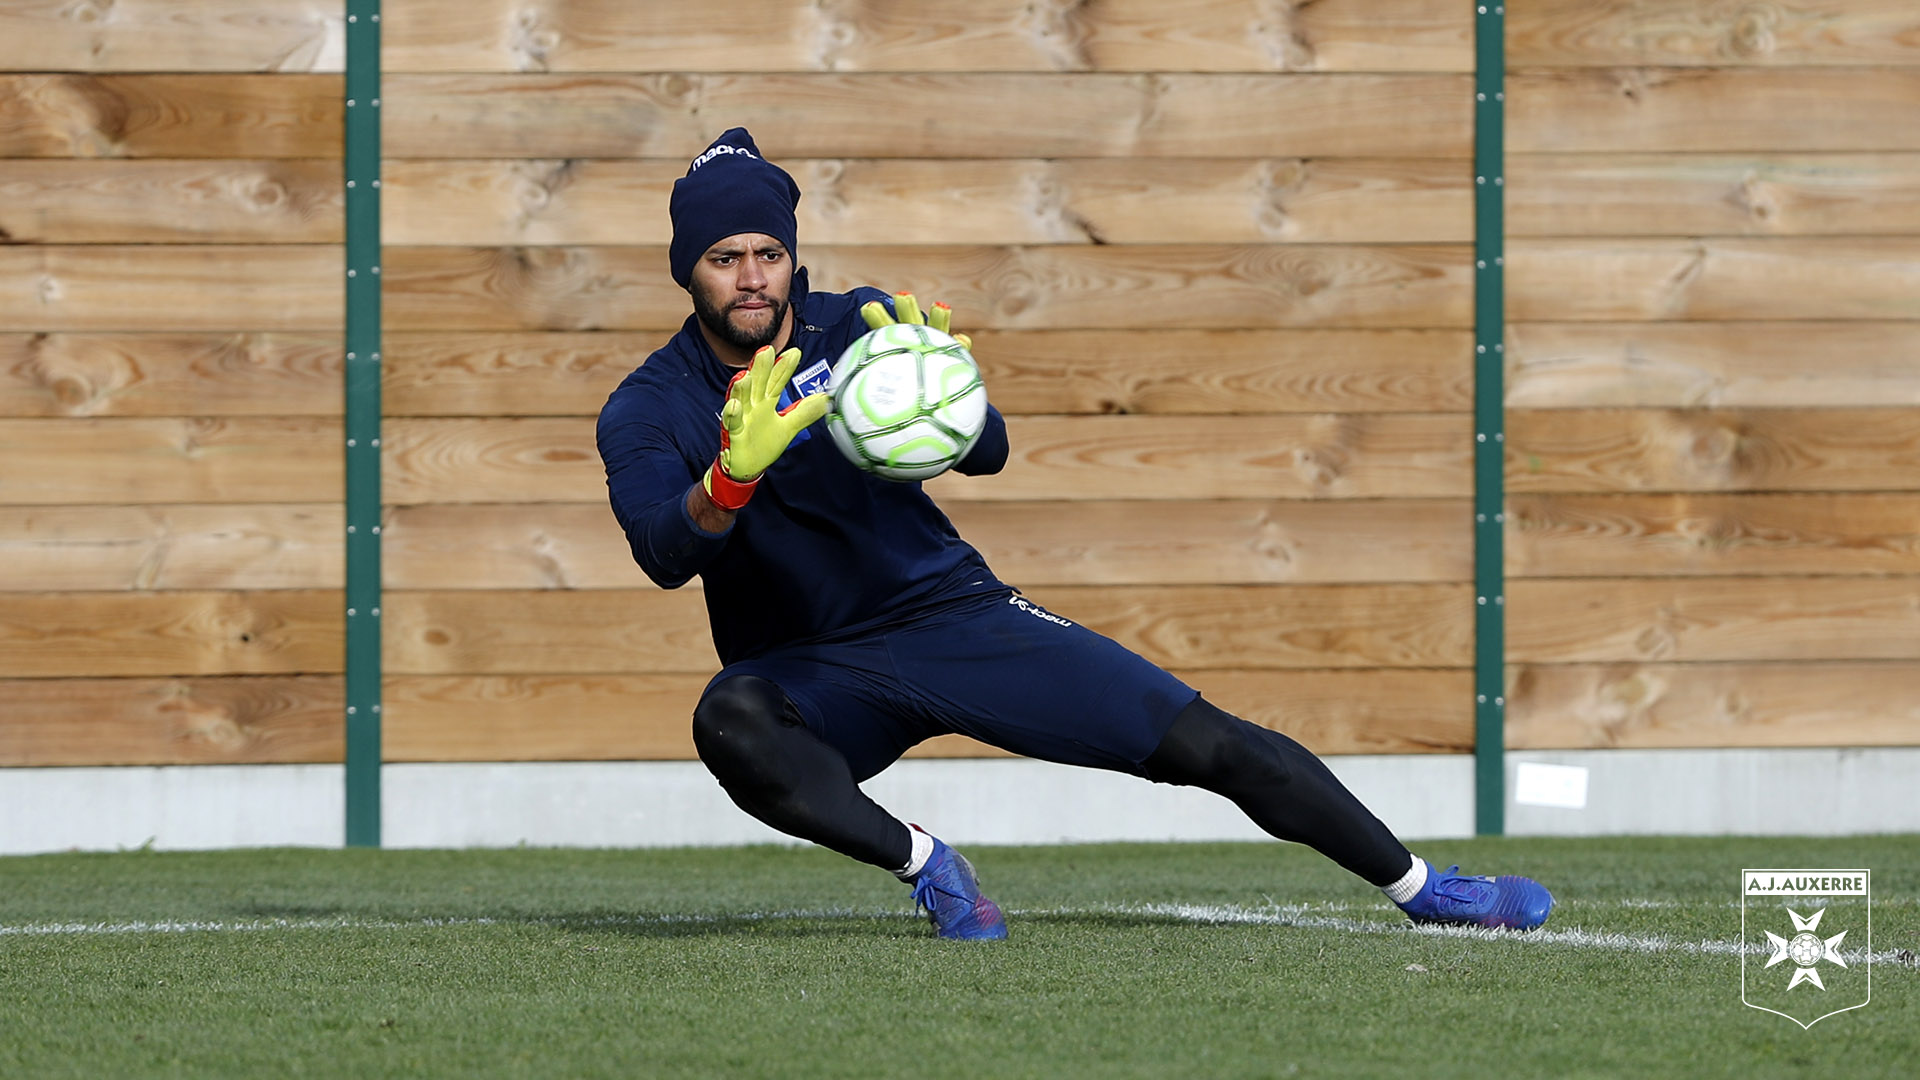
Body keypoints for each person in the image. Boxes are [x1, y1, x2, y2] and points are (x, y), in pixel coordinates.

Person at [596, 128, 1553, 940]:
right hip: (812, 669)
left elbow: (989, 454)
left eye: (768, 253)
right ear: (689, 270)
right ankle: (930, 868)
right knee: (730, 722)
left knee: (1215, 746)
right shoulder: (649, 406)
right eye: (725, 259)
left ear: (793, 255)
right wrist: (731, 476)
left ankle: (1429, 891)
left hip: (951, 615)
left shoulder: (859, 329)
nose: (752, 278)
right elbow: (663, 552)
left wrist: (941, 392)